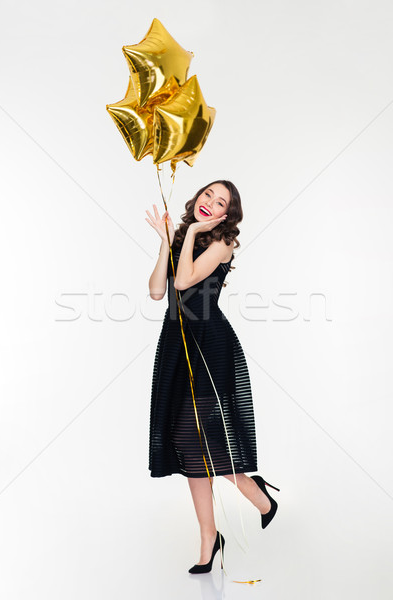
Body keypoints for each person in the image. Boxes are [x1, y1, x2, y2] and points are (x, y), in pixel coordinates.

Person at [145, 180, 280, 574]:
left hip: (208, 345)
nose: (210, 203)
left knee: (209, 440)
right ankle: (209, 537)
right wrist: (167, 241)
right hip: (176, 343)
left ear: (226, 215)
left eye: (221, 202)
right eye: (208, 195)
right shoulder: (185, 237)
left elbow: (185, 282)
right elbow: (158, 291)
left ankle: (258, 495)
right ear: (198, 197)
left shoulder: (222, 242)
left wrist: (188, 237)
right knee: (189, 445)